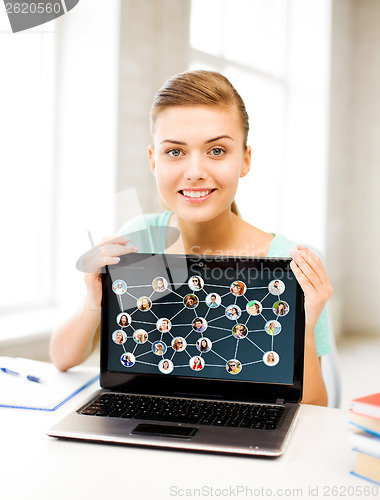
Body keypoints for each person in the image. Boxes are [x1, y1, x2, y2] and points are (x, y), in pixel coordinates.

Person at [50, 70, 333, 406]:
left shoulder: (287, 259)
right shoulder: (139, 240)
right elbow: (63, 358)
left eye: (216, 151)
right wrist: (93, 302)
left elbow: (315, 411)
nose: (195, 171)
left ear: (245, 159)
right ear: (154, 161)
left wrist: (307, 328)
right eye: (175, 152)